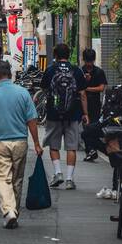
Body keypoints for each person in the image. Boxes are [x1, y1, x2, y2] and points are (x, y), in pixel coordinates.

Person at [0, 60, 43, 228]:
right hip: (20, 141)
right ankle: (14, 212)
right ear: (11, 74)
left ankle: (9, 211)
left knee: (3, 178)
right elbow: (32, 120)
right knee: (17, 179)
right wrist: (36, 143)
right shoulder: (23, 93)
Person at [40, 42, 89, 190]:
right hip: (73, 114)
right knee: (71, 147)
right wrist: (85, 113)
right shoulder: (76, 71)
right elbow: (82, 94)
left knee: (53, 145)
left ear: (55, 55)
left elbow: (44, 89)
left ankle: (58, 173)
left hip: (53, 114)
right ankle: (69, 179)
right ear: (68, 54)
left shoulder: (50, 70)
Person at [80, 48, 108, 163]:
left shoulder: (99, 72)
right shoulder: (80, 71)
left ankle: (93, 150)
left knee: (92, 129)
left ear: (94, 60)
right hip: (82, 104)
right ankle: (91, 151)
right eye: (87, 61)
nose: (89, 64)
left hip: (95, 104)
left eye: (90, 61)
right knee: (86, 127)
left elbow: (102, 88)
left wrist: (87, 88)